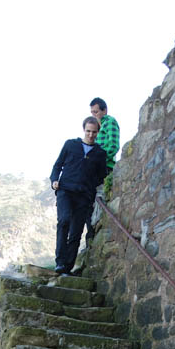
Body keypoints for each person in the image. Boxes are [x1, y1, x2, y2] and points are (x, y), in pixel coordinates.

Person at [50, 116, 107, 274]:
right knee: (64, 221)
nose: (90, 134)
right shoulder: (70, 145)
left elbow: (101, 176)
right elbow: (57, 165)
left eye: (94, 132)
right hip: (65, 190)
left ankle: (67, 268)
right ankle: (60, 262)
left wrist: (91, 186)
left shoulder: (100, 153)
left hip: (84, 196)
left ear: (98, 132)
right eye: (88, 131)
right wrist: (54, 180)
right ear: (84, 130)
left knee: (76, 232)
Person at [85, 97, 120, 244]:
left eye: (96, 112)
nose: (94, 115)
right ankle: (90, 234)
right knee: (87, 199)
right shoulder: (96, 129)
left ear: (104, 110)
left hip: (104, 167)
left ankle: (92, 233)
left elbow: (113, 145)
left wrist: (99, 160)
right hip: (94, 168)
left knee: (95, 197)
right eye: (92, 112)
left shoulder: (109, 122)